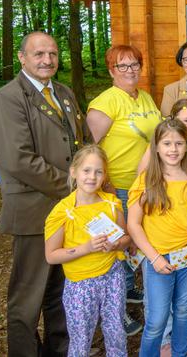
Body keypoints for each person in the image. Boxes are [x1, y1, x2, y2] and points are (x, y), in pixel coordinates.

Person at [0, 31, 90, 356]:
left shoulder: (64, 93)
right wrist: (74, 186)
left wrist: (89, 178)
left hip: (69, 212)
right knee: (28, 297)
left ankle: (59, 351)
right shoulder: (8, 98)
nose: (47, 60)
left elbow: (82, 142)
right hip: (35, 214)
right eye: (38, 54)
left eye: (53, 54)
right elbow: (18, 160)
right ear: (22, 57)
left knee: (61, 293)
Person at [87, 44, 163, 335]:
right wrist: (102, 183)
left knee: (134, 242)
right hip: (116, 186)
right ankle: (114, 314)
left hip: (144, 185)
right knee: (116, 247)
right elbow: (91, 147)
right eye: (123, 66)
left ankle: (129, 291)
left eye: (135, 65)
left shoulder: (144, 97)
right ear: (111, 71)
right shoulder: (105, 102)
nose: (130, 70)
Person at [127, 119, 187, 356]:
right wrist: (154, 258)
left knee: (184, 309)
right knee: (157, 320)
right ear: (156, 146)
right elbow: (133, 224)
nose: (173, 149)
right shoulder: (147, 181)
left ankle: (179, 352)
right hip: (159, 259)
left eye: (179, 143)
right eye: (167, 143)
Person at [44, 145, 130, 357]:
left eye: (98, 172)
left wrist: (116, 244)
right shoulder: (63, 212)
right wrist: (86, 248)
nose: (92, 177)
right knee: (81, 337)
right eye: (86, 170)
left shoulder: (111, 204)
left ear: (104, 175)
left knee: (116, 330)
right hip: (80, 285)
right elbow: (51, 255)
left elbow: (126, 238)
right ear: (73, 171)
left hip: (113, 276)